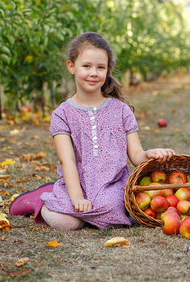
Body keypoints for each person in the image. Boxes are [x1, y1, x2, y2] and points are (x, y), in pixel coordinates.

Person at [10, 32, 174, 230]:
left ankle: (77, 208)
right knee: (67, 223)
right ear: (71, 66)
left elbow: (136, 156)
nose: (93, 73)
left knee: (111, 211)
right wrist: (77, 197)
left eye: (100, 67)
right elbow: (67, 160)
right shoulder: (62, 114)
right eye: (86, 66)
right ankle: (41, 200)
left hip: (110, 186)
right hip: (75, 183)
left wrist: (150, 154)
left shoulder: (120, 110)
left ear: (107, 70)